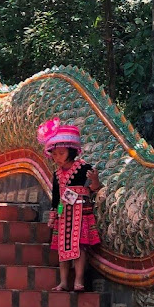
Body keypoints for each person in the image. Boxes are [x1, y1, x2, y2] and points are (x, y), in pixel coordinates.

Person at [37, 117, 101, 292]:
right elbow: (56, 198)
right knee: (62, 249)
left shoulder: (84, 168)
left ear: (72, 151)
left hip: (81, 212)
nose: (57, 158)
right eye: (55, 154)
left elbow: (94, 188)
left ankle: (79, 280)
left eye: (62, 153)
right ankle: (64, 282)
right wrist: (54, 215)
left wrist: (95, 180)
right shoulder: (57, 174)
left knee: (80, 246)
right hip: (64, 215)